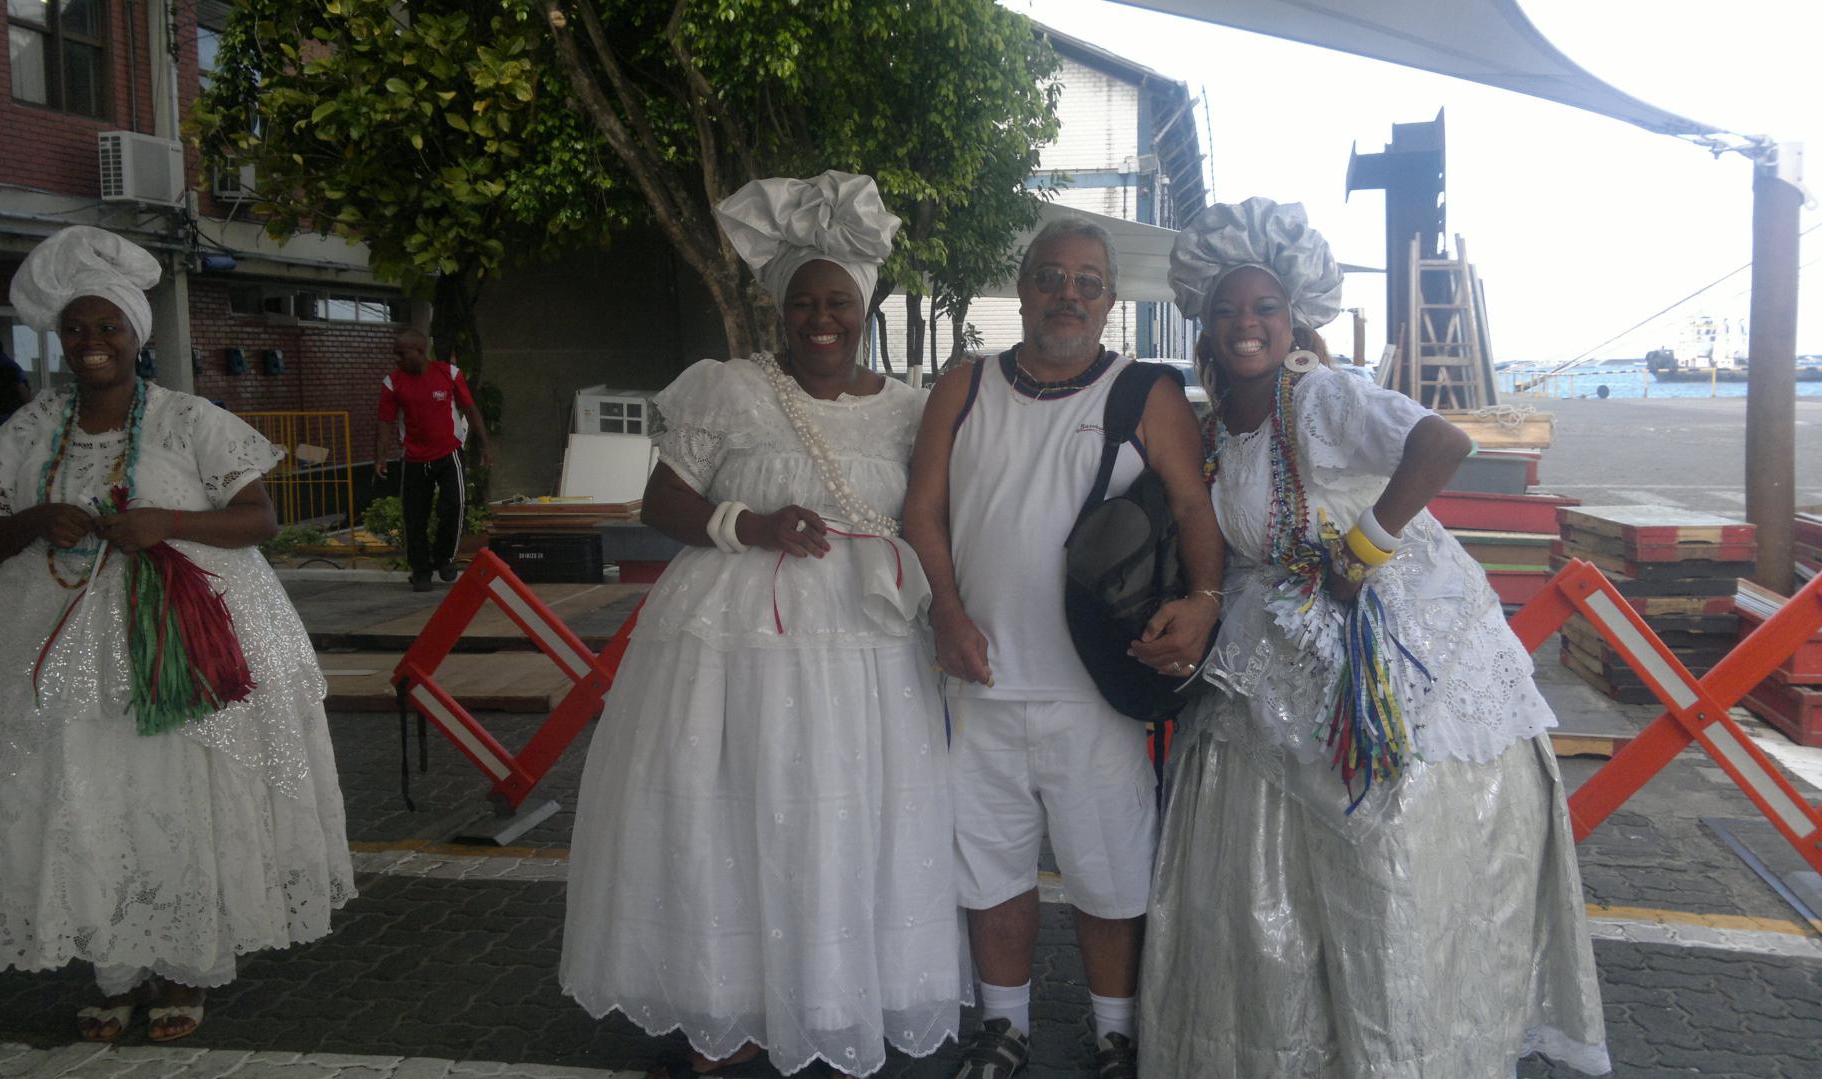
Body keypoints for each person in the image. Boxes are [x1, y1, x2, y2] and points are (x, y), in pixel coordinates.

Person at [1137, 197, 1609, 1076]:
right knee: (1267, 882)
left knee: (1383, 871)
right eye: (1229, 309)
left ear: (1294, 320)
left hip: (1396, 655)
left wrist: (1363, 548)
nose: (1247, 325)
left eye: (1265, 309)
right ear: (1203, 320)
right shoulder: (1214, 427)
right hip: (1272, 660)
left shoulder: (1322, 396)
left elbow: (1438, 442)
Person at [559, 171, 962, 1079]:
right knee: (733, 811)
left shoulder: (909, 409)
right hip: (738, 632)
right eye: (803, 303)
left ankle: (834, 995)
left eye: (838, 302)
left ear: (864, 308)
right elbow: (660, 495)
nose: (821, 318)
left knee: (848, 818)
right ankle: (727, 1001)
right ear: (781, 313)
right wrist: (753, 525)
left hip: (868, 646)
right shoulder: (728, 388)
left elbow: (935, 513)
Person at [0, 227, 354, 1043]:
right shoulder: (29, 427)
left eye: (107, 327)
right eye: (76, 330)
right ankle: (113, 966)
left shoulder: (192, 422)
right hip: (52, 648)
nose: (91, 344)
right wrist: (36, 519)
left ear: (135, 336)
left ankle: (185, 962)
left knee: (173, 796)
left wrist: (168, 522)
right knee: (85, 796)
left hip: (180, 649)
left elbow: (259, 517)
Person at [902, 216, 1225, 1079]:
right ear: (1022, 286)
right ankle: (1001, 1027)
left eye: (1088, 281)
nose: (1068, 295)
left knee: (1109, 872)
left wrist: (1205, 601)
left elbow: (1196, 510)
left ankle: (1116, 1034)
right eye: (1051, 277)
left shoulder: (1142, 391)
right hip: (979, 678)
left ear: (1111, 299)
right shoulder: (963, 387)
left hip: (1097, 688)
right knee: (990, 868)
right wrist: (944, 609)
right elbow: (922, 513)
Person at [374, 329, 491, 591]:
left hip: (449, 453)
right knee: (415, 516)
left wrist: (484, 445)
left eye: (402, 355)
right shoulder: (392, 383)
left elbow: (470, 409)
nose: (398, 360)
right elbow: (385, 422)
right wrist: (381, 456)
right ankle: (421, 570)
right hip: (415, 458)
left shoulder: (448, 374)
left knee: (455, 504)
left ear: (419, 351)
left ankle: (444, 558)